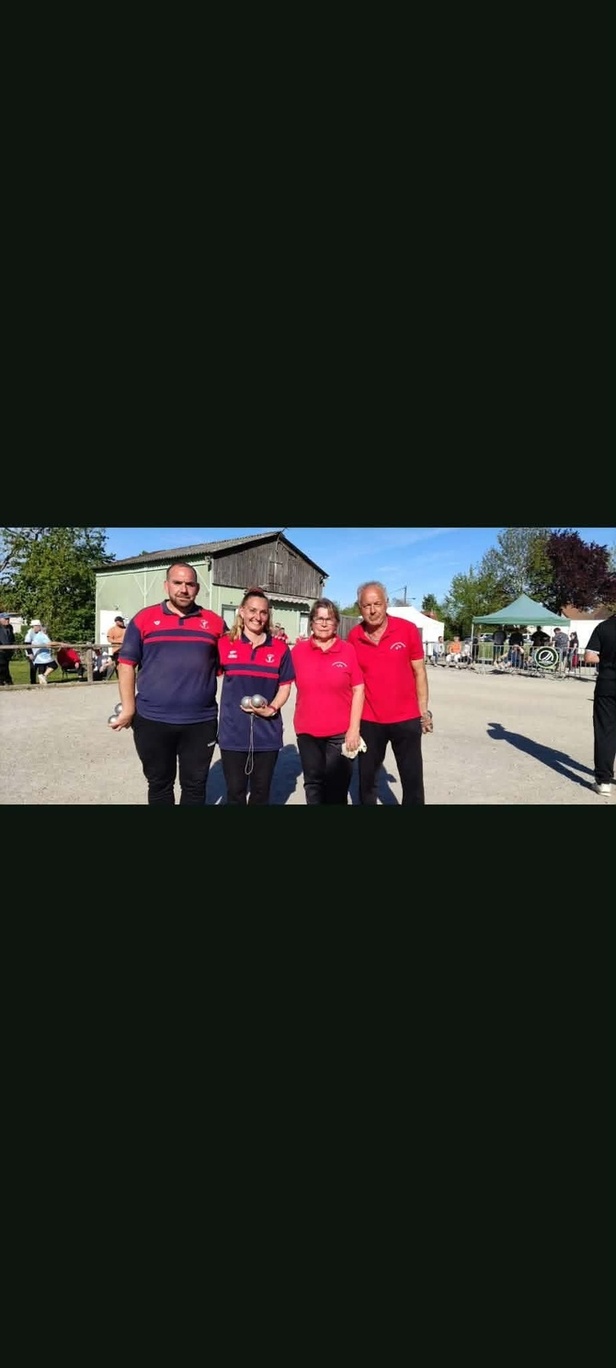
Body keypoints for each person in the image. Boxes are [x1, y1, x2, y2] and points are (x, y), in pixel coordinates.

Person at [109, 562, 227, 805]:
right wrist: (128, 709)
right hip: (152, 719)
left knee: (195, 786)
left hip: (200, 722)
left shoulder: (214, 623)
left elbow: (233, 662)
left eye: (190, 584)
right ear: (166, 586)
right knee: (159, 784)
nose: (183, 589)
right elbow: (126, 664)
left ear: (197, 588)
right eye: (177, 583)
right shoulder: (144, 619)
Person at [348, 581, 432, 806]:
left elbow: (419, 672)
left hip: (406, 718)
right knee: (366, 781)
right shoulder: (354, 636)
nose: (372, 610)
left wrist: (423, 711)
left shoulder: (407, 630)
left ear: (386, 603)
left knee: (412, 779)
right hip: (370, 719)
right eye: (366, 605)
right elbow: (352, 682)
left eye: (377, 604)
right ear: (359, 607)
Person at [217, 587, 294, 804]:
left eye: (263, 612)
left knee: (261, 793)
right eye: (252, 610)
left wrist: (272, 709)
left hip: (267, 734)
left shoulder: (280, 648)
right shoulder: (224, 644)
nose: (257, 617)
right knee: (235, 793)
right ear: (241, 611)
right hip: (233, 733)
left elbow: (285, 686)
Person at [291, 598, 364, 804]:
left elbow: (359, 688)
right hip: (307, 731)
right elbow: (282, 683)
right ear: (311, 622)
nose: (323, 624)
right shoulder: (298, 652)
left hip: (340, 733)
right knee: (313, 785)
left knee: (337, 787)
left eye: (329, 619)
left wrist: (354, 729)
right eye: (319, 619)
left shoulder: (347, 650)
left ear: (336, 623)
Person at [584, 613, 616, 796]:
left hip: (608, 685)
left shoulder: (604, 627)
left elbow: (589, 657)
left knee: (605, 732)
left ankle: (604, 781)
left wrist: (608, 658)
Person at [0, 611, 16, 685]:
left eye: (8, 619)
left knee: (5, 666)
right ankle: (6, 681)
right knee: (2, 666)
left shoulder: (10, 627)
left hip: (8, 651)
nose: (7, 620)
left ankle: (6, 681)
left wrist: (12, 647)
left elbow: (12, 637)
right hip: (1, 650)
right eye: (5, 619)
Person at [24, 618, 40, 684]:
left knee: (41, 666)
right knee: (33, 668)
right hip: (32, 653)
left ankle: (41, 680)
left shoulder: (39, 633)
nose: (39, 628)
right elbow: (27, 644)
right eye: (38, 626)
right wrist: (30, 653)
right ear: (34, 626)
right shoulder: (30, 633)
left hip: (38, 653)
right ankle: (33, 682)